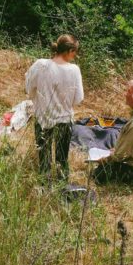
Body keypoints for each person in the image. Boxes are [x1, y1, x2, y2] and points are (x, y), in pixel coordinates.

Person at [25, 34, 84, 181]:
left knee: (43, 158)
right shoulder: (74, 70)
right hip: (64, 119)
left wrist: (39, 100)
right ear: (69, 51)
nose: (75, 55)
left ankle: (44, 188)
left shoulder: (40, 65)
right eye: (75, 52)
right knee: (62, 159)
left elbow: (28, 88)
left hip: (43, 117)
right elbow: (78, 99)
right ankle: (62, 185)